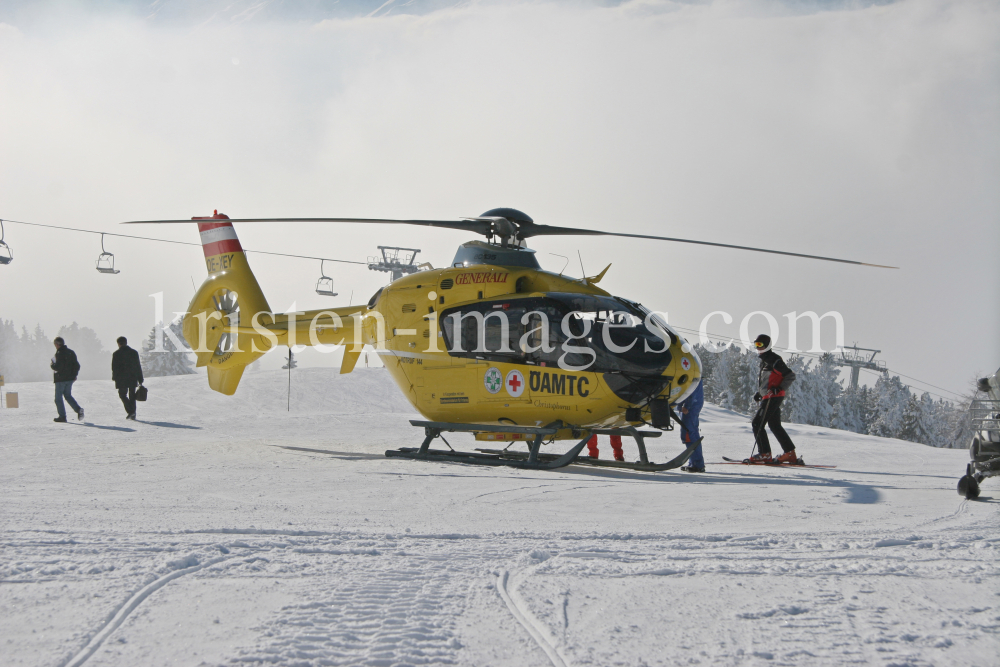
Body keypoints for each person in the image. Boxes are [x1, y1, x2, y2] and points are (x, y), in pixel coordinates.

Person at [749, 334, 798, 463]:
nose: (758, 348)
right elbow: (769, 380)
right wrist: (760, 393)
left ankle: (764, 453)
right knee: (774, 425)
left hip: (773, 397)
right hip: (769, 396)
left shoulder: (774, 360)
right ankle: (790, 453)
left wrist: (779, 388)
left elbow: (790, 375)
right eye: (756, 345)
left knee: (757, 423)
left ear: (767, 345)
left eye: (760, 345)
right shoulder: (765, 360)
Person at [51, 337, 83, 423]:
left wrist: (52, 365)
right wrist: (74, 375)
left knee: (58, 398)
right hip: (69, 379)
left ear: (57, 344)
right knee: (68, 395)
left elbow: (58, 367)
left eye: (55, 344)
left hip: (60, 379)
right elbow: (77, 366)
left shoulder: (59, 353)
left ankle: (62, 416)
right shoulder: (71, 352)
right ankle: (78, 409)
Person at [112, 336, 144, 420]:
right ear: (126, 342)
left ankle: (130, 411)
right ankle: (132, 412)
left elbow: (114, 367)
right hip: (132, 377)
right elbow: (138, 366)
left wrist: (115, 377)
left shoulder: (116, 354)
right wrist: (140, 378)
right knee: (132, 396)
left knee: (122, 395)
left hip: (121, 378)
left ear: (118, 344)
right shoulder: (133, 352)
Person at [678, 380, 706, 472]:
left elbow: (690, 389)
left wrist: (686, 406)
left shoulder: (692, 374)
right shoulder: (692, 372)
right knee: (688, 434)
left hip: (690, 406)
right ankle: (693, 462)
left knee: (690, 435)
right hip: (690, 405)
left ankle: (697, 464)